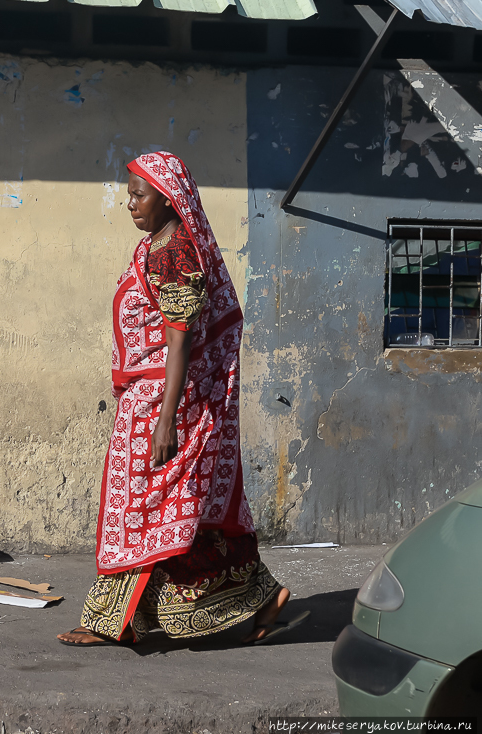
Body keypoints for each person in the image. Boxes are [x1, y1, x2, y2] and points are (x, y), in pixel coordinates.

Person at [57, 152, 308, 647]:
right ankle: (258, 594)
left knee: (145, 511)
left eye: (139, 194)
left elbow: (180, 338)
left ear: (169, 199)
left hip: (164, 405)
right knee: (166, 514)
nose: (130, 204)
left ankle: (114, 623)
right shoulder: (157, 246)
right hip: (148, 401)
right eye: (129, 193)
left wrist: (166, 418)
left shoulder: (176, 255)